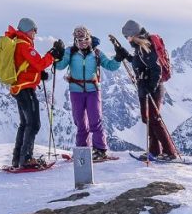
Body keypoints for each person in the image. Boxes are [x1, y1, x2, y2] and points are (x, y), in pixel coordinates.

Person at [113, 19, 180, 159]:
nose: (127, 39)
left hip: (151, 88)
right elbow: (139, 62)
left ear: (134, 34)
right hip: (145, 86)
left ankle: (169, 152)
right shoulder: (140, 47)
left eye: (127, 36)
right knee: (148, 118)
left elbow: (157, 69)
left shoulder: (145, 46)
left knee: (154, 118)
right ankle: (155, 151)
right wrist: (125, 54)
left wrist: (150, 86)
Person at [53, 25, 121, 160]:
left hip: (93, 90)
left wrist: (118, 58)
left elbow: (110, 65)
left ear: (90, 38)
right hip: (76, 91)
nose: (83, 42)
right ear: (75, 41)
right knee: (80, 122)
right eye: (79, 40)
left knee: (95, 120)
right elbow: (60, 66)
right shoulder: (70, 52)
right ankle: (82, 150)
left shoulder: (96, 53)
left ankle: (100, 150)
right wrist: (57, 55)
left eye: (85, 39)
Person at [3, 18, 59, 169]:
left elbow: (26, 66)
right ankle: (26, 158)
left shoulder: (18, 44)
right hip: (25, 89)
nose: (36, 33)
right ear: (28, 30)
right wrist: (52, 54)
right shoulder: (24, 45)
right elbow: (39, 62)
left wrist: (40, 75)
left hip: (19, 88)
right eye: (35, 30)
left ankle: (18, 159)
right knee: (33, 124)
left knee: (24, 124)